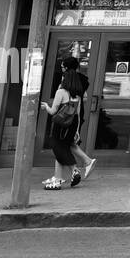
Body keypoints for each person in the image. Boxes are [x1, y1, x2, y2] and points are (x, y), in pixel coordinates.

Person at [40, 58, 91, 190]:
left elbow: (53, 111)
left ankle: (73, 171)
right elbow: (78, 114)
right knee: (64, 147)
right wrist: (77, 131)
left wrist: (46, 106)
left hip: (60, 124)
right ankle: (59, 177)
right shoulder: (77, 96)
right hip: (72, 124)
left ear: (65, 80)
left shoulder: (60, 92)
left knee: (57, 147)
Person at [67, 59, 98, 186]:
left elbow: (80, 99)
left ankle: (84, 163)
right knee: (67, 143)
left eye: (63, 66)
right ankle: (73, 170)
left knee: (66, 143)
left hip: (69, 114)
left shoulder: (70, 80)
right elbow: (84, 97)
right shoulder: (83, 80)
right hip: (74, 114)